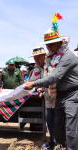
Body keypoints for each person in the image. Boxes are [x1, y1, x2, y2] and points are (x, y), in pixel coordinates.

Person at [24, 13, 77, 149]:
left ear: (60, 42)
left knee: (71, 130)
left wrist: (34, 84)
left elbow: (54, 77)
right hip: (59, 96)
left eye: (53, 44)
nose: (50, 47)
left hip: (73, 95)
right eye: (47, 45)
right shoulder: (52, 58)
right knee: (58, 126)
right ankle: (60, 147)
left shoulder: (68, 56)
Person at [29, 46, 56, 149]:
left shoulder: (52, 64)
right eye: (35, 58)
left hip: (57, 97)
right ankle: (52, 142)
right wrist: (23, 86)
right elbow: (32, 81)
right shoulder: (36, 67)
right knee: (50, 121)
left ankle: (61, 143)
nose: (36, 61)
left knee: (58, 122)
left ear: (44, 56)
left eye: (38, 58)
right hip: (48, 99)